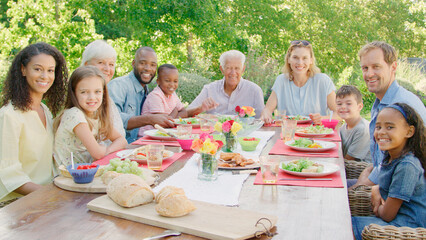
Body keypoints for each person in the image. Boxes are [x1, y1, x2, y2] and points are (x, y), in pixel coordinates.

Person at [350, 41, 426, 190]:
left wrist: (360, 185)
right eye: (365, 68)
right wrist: (368, 173)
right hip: (383, 181)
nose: (369, 74)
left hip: (400, 197)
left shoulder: (400, 107)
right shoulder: (381, 102)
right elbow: (383, 161)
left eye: (376, 67)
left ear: (393, 67)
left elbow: (402, 169)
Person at [0, 42, 67, 202]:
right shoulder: (9, 115)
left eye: (50, 70)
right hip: (14, 204)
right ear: (23, 70)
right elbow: (9, 174)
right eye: (37, 69)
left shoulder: (45, 110)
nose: (45, 76)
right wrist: (53, 195)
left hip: (46, 195)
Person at [351, 103, 425, 240]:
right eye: (378, 127)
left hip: (405, 227)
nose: (381, 132)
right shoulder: (390, 157)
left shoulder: (407, 166)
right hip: (392, 220)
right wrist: (376, 190)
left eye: (390, 127)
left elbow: (387, 214)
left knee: (343, 226)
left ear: (409, 132)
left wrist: (376, 205)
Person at [54, 66, 127, 167]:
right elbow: (97, 154)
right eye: (84, 92)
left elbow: (122, 140)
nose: (92, 98)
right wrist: (102, 149)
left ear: (103, 93)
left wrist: (107, 150)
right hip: (68, 176)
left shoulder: (95, 114)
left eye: (97, 92)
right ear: (74, 93)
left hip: (87, 171)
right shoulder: (74, 114)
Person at [261, 40, 337, 125]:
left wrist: (322, 119)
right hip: (288, 134)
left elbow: (339, 114)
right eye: (295, 57)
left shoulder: (323, 81)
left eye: (304, 58)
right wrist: (266, 114)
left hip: (316, 134)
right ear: (289, 59)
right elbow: (267, 109)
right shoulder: (281, 80)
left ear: (311, 60)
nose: (300, 63)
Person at [108, 47, 174, 143]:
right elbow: (112, 120)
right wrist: (148, 119)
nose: (148, 68)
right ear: (134, 63)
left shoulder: (148, 91)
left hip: (139, 146)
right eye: (142, 63)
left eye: (152, 65)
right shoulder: (118, 85)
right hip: (117, 150)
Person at [138, 64, 215, 136]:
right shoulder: (155, 96)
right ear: (158, 81)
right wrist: (175, 111)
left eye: (175, 81)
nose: (172, 84)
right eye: (167, 81)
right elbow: (163, 123)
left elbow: (184, 112)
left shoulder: (172, 94)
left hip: (164, 134)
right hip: (149, 136)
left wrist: (173, 118)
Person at [188, 50, 264, 118]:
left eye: (237, 68)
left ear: (243, 69)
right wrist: (201, 108)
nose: (233, 73)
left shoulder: (254, 90)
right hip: (215, 133)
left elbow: (262, 119)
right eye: (228, 68)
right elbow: (187, 112)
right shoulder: (209, 89)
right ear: (222, 69)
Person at [81, 39, 125, 138]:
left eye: (111, 64)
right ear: (86, 65)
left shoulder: (105, 95)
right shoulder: (84, 98)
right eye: (101, 62)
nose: (107, 69)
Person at [336, 85, 371, 162]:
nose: (343, 107)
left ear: (360, 106)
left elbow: (349, 159)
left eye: (348, 103)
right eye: (339, 104)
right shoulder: (343, 127)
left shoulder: (362, 129)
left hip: (358, 171)